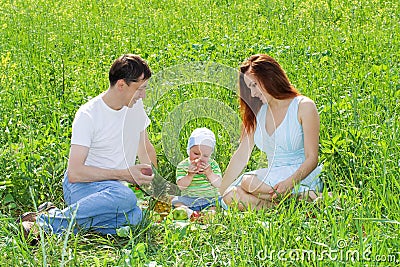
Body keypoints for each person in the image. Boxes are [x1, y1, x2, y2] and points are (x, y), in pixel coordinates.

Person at [19, 54, 157, 242]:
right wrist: (124, 174)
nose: (143, 95)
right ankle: (43, 223)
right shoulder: (89, 115)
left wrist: (155, 186)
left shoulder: (135, 108)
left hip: (112, 192)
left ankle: (56, 217)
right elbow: (75, 173)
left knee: (137, 218)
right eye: (139, 89)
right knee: (126, 197)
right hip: (82, 187)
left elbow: (145, 148)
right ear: (122, 85)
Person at [219, 54, 324, 210]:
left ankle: (289, 198)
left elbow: (312, 158)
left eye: (254, 85)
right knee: (229, 195)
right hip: (272, 178)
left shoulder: (304, 106)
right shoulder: (258, 111)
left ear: (269, 77)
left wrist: (289, 183)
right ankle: (292, 203)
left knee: (247, 181)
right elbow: (241, 156)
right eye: (249, 88)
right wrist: (219, 194)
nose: (252, 93)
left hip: (301, 175)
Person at [172, 128, 222, 211]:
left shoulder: (212, 165)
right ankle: (188, 212)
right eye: (196, 153)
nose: (200, 158)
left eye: (205, 156)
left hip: (210, 199)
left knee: (217, 204)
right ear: (189, 150)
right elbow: (181, 187)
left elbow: (218, 184)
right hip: (189, 199)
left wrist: (209, 173)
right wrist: (189, 175)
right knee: (176, 201)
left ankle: (208, 215)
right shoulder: (183, 165)